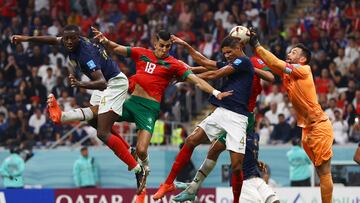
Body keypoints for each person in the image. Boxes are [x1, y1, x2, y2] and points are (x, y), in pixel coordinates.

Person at [91, 27, 232, 202]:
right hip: (131, 103)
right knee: (97, 118)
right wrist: (105, 41)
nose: (164, 49)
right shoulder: (141, 53)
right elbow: (118, 48)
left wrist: (216, 92)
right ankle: (71, 116)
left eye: (168, 47)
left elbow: (196, 80)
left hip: (149, 109)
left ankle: (143, 169)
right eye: (162, 45)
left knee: (142, 150)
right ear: (154, 42)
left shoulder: (173, 64)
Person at [11, 25, 146, 194]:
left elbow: (102, 82)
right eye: (66, 38)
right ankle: (129, 151)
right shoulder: (72, 41)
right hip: (105, 84)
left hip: (113, 84)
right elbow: (52, 40)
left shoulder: (85, 54)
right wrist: (25, 38)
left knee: (103, 133)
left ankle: (138, 170)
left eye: (71, 38)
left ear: (78, 37)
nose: (68, 42)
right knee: (93, 120)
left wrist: (81, 84)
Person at [167, 34, 274, 202]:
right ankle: (193, 187)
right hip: (229, 111)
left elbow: (271, 77)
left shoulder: (251, 62)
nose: (227, 55)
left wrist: (187, 77)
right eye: (225, 52)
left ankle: (197, 188)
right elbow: (208, 65)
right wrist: (189, 67)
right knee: (214, 149)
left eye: (229, 51)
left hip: (244, 116)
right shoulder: (234, 62)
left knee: (237, 163)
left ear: (241, 44)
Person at [248, 28, 334, 203]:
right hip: (306, 130)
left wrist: (256, 45)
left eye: (294, 52)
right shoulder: (289, 74)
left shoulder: (304, 69)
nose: (289, 53)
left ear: (302, 59)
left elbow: (277, 64)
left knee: (324, 173)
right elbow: (273, 64)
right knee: (320, 172)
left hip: (319, 126)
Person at [174, 132, 280, 203]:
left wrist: (256, 162)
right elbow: (214, 149)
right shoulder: (233, 132)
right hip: (242, 180)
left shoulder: (255, 135)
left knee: (275, 201)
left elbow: (249, 154)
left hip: (256, 178)